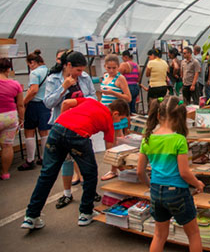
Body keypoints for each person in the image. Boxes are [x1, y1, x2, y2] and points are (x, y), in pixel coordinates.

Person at [21, 98, 130, 230]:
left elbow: (66, 103)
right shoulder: (108, 121)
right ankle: (86, 213)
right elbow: (110, 151)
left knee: (47, 174)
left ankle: (31, 216)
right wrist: (124, 168)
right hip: (78, 136)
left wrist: (62, 123)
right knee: (90, 175)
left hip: (57, 130)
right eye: (121, 119)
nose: (119, 122)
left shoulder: (91, 101)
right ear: (116, 114)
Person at [137, 95, 205, 252]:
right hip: (177, 192)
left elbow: (140, 171)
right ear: (181, 117)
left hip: (156, 191)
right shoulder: (179, 140)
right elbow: (184, 173)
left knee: (159, 235)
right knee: (194, 234)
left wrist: (150, 185)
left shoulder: (147, 139)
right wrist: (198, 183)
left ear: (159, 115)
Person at [44, 50, 97, 209]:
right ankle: (67, 193)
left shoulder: (84, 78)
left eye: (82, 70)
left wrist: (81, 101)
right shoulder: (54, 79)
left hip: (81, 125)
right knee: (65, 161)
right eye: (78, 70)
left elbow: (93, 96)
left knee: (85, 160)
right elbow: (48, 103)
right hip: (62, 127)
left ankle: (89, 191)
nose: (81, 74)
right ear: (68, 65)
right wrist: (63, 87)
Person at [17, 50, 51, 171]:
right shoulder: (49, 71)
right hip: (46, 104)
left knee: (29, 131)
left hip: (34, 104)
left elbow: (33, 90)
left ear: (32, 63)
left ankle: (30, 160)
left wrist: (23, 102)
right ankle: (44, 157)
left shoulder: (34, 73)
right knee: (44, 131)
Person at [100, 54, 131, 181]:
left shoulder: (121, 78)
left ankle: (116, 168)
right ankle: (116, 167)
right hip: (106, 114)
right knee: (109, 141)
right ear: (105, 67)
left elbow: (128, 97)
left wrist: (113, 92)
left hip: (117, 116)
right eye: (109, 68)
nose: (111, 70)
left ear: (118, 67)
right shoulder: (105, 77)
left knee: (114, 142)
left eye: (114, 68)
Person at [0, 58, 24, 180]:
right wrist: (21, 119)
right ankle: (5, 173)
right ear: (8, 69)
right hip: (10, 117)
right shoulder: (15, 84)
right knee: (7, 146)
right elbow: (20, 105)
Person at [119, 49, 140, 114]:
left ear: (126, 57)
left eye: (122, 57)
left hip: (127, 88)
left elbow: (117, 76)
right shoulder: (137, 66)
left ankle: (127, 123)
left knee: (125, 109)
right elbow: (138, 79)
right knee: (132, 108)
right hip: (135, 87)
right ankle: (135, 122)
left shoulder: (124, 65)